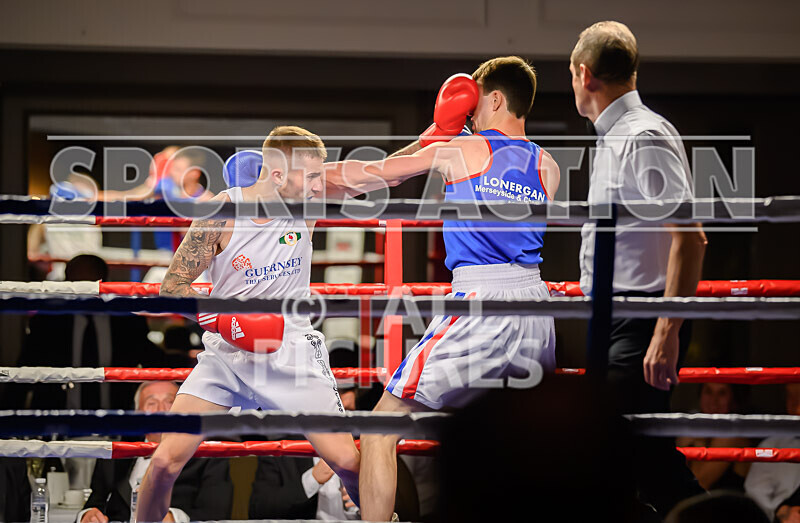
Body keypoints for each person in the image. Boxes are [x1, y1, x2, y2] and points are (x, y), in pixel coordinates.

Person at [326, 55, 560, 521]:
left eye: (475, 105)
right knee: (519, 441)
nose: (469, 114)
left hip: (480, 301)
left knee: (380, 428)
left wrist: (308, 179)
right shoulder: (547, 165)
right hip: (536, 309)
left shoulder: (461, 150)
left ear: (494, 98)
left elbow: (379, 175)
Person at [135, 126, 360, 522]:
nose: (317, 185)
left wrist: (434, 139)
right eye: (309, 176)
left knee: (349, 462)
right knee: (166, 461)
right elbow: (171, 287)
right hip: (228, 354)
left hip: (290, 348)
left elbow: (385, 170)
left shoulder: (308, 202)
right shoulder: (222, 213)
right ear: (277, 174)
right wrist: (224, 318)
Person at [569, 21, 708, 514]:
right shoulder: (615, 136)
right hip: (616, 320)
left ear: (585, 75)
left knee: (640, 456)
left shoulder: (643, 136)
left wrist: (667, 331)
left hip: (642, 319)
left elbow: (689, 240)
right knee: (629, 459)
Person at [248, 350, 420, 521]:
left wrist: (369, 502)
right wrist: (313, 479)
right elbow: (258, 510)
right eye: (333, 391)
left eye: (344, 391)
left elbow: (410, 511)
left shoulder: (374, 443)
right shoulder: (284, 448)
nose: (337, 401)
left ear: (356, 394)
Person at [4, 254, 165, 411]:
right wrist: (9, 425)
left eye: (89, 283)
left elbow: (156, 365)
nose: (83, 290)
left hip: (115, 424)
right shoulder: (48, 322)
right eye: (76, 283)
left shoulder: (128, 323)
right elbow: (24, 371)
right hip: (57, 426)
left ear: (104, 283)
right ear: (66, 283)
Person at [78, 381, 232, 523]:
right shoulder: (115, 454)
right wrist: (86, 515)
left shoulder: (208, 455)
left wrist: (175, 519)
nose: (161, 410)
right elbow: (94, 503)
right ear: (137, 413)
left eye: (170, 402)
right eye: (152, 403)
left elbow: (217, 513)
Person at [677, 383, 752, 490]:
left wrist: (697, 442)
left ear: (733, 401)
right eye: (708, 391)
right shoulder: (692, 429)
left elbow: (700, 484)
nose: (714, 400)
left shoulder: (733, 436)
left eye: (722, 393)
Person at [745, 383, 800, 519]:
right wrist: (780, 511)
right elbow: (755, 493)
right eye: (790, 396)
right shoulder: (772, 445)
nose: (795, 403)